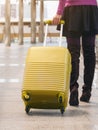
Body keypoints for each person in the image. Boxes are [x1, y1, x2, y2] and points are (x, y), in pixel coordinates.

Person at [52, 0, 98, 106]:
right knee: (89, 52)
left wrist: (59, 12)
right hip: (90, 9)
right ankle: (87, 91)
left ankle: (73, 88)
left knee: (73, 52)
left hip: (72, 10)